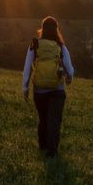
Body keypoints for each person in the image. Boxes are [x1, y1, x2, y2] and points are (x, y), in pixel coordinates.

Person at [22, 16, 74, 158]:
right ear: (57, 30)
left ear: (42, 29)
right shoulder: (60, 46)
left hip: (40, 90)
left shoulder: (35, 44)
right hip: (57, 89)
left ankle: (43, 145)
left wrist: (25, 88)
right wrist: (69, 79)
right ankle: (52, 151)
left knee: (43, 118)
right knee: (54, 120)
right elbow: (70, 70)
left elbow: (27, 68)